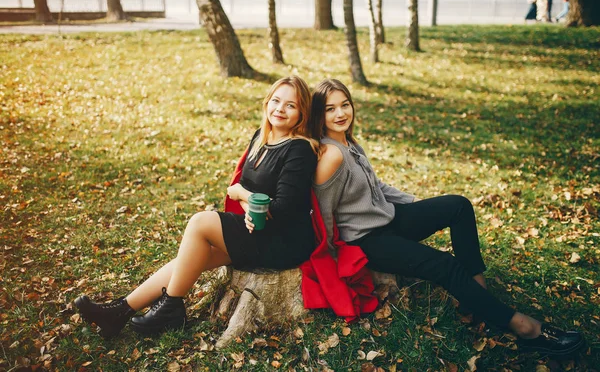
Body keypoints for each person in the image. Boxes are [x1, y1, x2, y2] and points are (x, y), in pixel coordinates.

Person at [308, 78, 586, 357]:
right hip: (368, 239)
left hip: (388, 218)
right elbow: (323, 211)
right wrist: (333, 256)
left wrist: (418, 204)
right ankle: (526, 329)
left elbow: (377, 187)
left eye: (345, 105)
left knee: (458, 206)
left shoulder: (349, 143)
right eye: (330, 109)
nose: (341, 113)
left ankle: (481, 300)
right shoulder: (331, 154)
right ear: (320, 115)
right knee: (443, 264)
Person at [74, 76, 319, 337]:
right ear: (266, 103)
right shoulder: (261, 137)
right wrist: (248, 203)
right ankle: (120, 312)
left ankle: (171, 308)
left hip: (283, 242)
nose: (280, 109)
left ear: (302, 113)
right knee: (191, 257)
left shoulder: (300, 150)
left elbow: (282, 210)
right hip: (258, 230)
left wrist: (241, 194)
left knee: (201, 223)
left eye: (290, 105)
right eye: (276, 101)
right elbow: (256, 191)